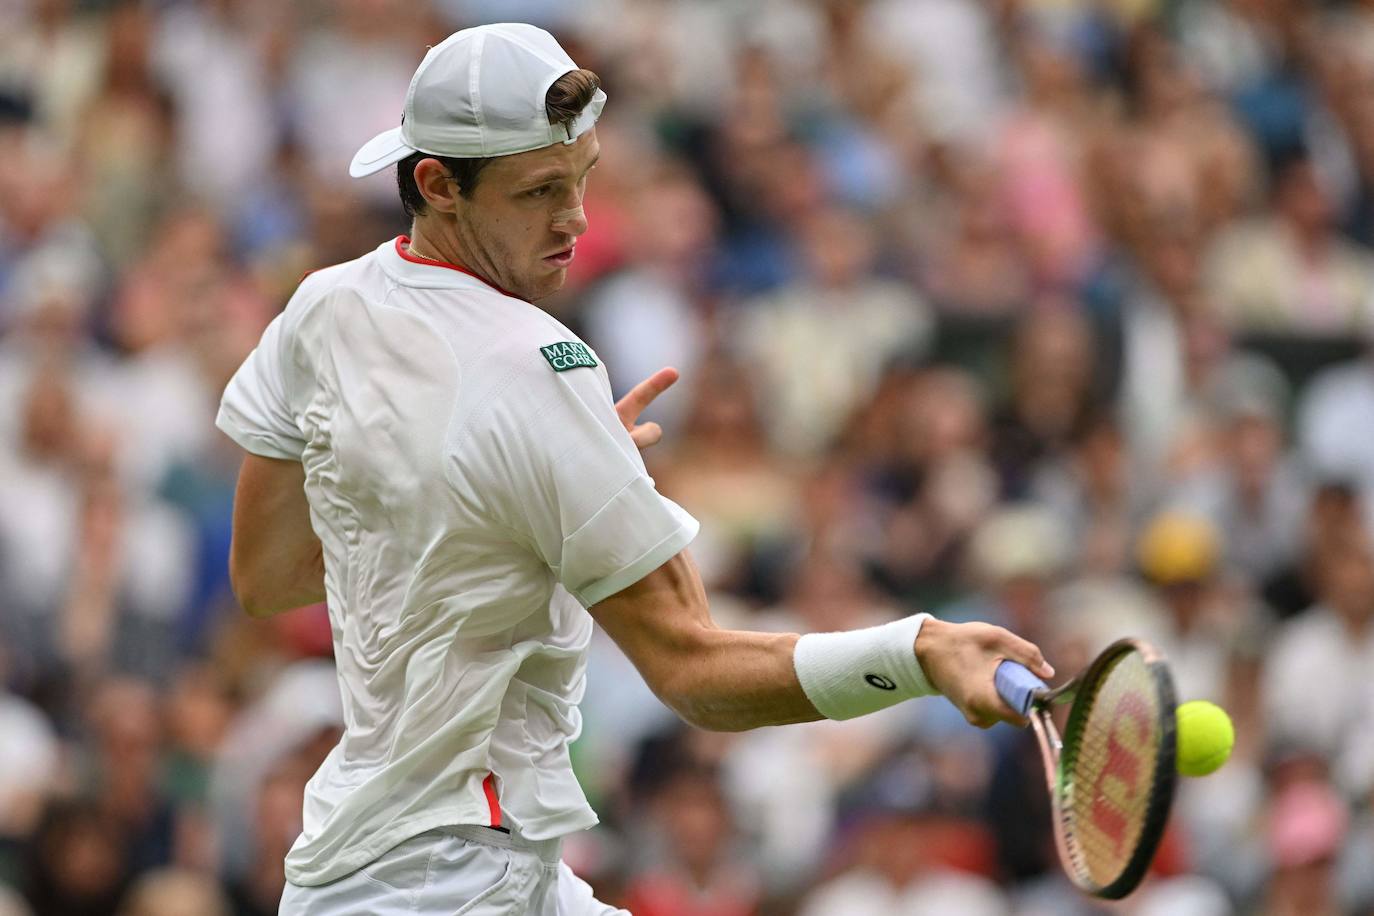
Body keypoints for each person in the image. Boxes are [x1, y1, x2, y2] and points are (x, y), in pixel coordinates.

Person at [216, 23, 1053, 915]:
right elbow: (696, 674)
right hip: (452, 888)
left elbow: (268, 576)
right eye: (539, 190)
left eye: (582, 177)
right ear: (436, 185)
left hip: (389, 873)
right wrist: (920, 651)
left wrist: (517, 501)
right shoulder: (540, 370)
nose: (575, 217)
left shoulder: (322, 307)